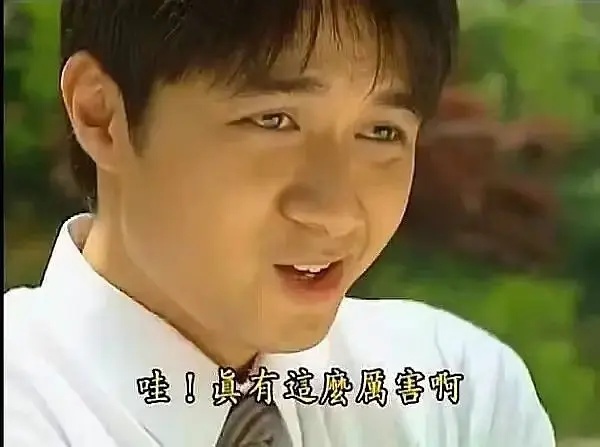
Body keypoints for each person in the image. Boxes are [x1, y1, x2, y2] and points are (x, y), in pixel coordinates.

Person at [4, 1, 555, 446]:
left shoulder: (456, 395)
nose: (337, 213)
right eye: (274, 120)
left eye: (382, 132)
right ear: (101, 113)